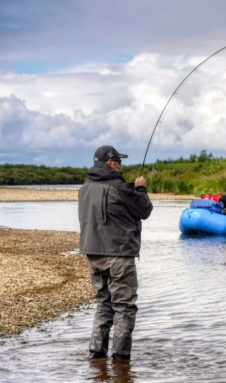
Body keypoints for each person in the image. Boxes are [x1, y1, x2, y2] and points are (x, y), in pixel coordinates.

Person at [79, 145, 153, 361]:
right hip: (118, 254)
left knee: (104, 303)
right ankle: (121, 360)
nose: (121, 165)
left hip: (93, 253)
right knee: (124, 307)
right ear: (109, 161)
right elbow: (144, 210)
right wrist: (140, 189)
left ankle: (96, 354)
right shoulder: (119, 186)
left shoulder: (84, 187)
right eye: (118, 161)